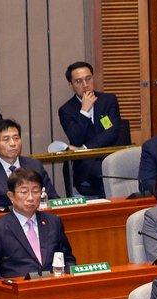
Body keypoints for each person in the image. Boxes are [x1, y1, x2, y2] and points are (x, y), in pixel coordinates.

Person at [58, 61, 125, 198]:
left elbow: (112, 132)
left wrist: (83, 148)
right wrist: (84, 111)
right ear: (71, 85)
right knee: (104, 172)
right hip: (86, 163)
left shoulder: (108, 100)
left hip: (110, 156)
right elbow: (75, 138)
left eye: (88, 79)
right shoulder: (66, 110)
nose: (85, 85)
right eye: (78, 81)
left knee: (109, 170)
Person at [0, 169, 76, 278]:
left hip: (53, 287)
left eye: (35, 192)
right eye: (24, 192)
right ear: (11, 196)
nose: (30, 198)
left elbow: (67, 258)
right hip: (17, 290)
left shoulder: (53, 222)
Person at [0, 119, 55, 211]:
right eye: (6, 139)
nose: (13, 144)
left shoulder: (35, 166)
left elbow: (53, 198)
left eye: (16, 138)